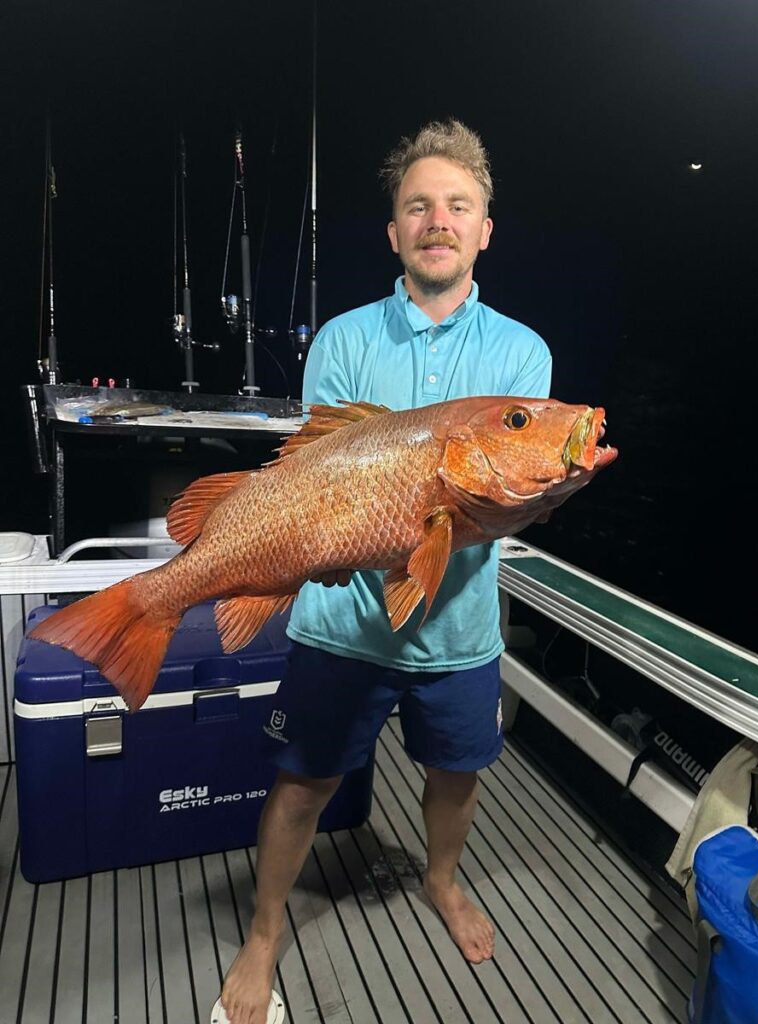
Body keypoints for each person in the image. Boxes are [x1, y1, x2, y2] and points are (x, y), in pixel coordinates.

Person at [220, 119, 552, 1024]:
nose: (438, 221)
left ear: (485, 229)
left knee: (456, 775)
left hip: (459, 632)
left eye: (458, 206)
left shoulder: (522, 356)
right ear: (395, 231)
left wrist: (530, 494)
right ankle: (264, 932)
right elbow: (317, 482)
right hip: (342, 627)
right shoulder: (342, 339)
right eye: (419, 206)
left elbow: (505, 492)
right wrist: (313, 549)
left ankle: (442, 879)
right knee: (304, 783)